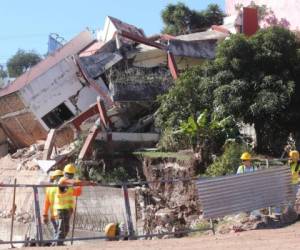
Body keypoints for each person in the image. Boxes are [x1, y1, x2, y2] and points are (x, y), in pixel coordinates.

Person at [53, 163, 94, 246]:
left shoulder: (68, 184)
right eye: (69, 174)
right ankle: (57, 244)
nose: (70, 176)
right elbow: (75, 183)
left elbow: (75, 193)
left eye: (71, 175)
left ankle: (58, 243)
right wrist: (88, 182)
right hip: (61, 209)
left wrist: (80, 187)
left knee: (66, 228)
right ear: (64, 174)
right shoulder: (62, 180)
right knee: (62, 229)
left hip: (66, 209)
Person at [42, 170, 64, 238]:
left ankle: (56, 243)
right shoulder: (62, 188)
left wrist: (45, 214)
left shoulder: (49, 188)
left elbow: (46, 203)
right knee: (60, 232)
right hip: (61, 214)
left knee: (56, 231)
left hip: (53, 215)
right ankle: (57, 244)